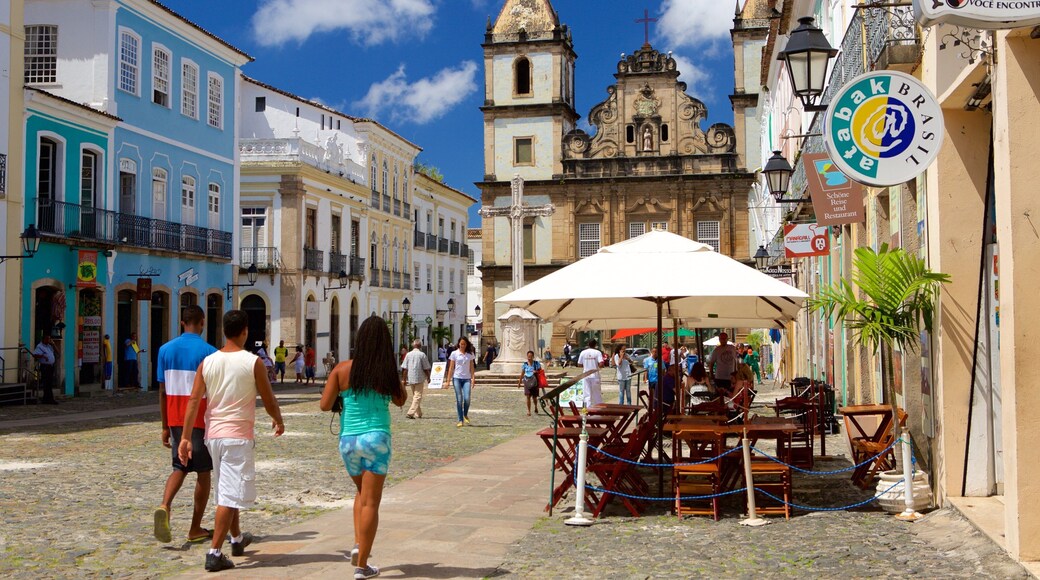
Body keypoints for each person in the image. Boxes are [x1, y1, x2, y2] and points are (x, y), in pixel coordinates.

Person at [178, 310, 285, 572]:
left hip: (213, 436)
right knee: (228, 493)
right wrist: (278, 419)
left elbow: (194, 400)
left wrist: (185, 437)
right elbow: (268, 398)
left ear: (224, 331)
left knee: (227, 486)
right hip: (237, 436)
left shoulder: (208, 362)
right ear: (245, 331)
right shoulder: (252, 362)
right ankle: (214, 552)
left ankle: (236, 539)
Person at [320, 316, 407, 580]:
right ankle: (362, 566)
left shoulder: (342, 369)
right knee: (371, 502)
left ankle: (359, 543)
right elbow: (401, 401)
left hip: (349, 440)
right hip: (376, 438)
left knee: (361, 492)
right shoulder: (385, 372)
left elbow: (324, 405)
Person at [154, 305, 217, 544]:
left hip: (174, 417)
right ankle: (195, 528)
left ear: (182, 322)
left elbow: (162, 391)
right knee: (203, 471)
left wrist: (164, 426)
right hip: (199, 418)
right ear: (202, 322)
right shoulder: (210, 352)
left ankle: (165, 505)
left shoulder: (165, 350)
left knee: (179, 467)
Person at [446, 336, 476, 428]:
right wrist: (448, 381)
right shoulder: (454, 353)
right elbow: (451, 368)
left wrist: (473, 378)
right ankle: (460, 419)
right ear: (459, 344)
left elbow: (472, 367)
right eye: (461, 344)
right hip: (457, 378)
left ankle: (465, 414)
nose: (462, 346)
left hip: (467, 378)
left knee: (467, 398)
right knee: (459, 399)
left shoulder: (470, 354)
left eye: (464, 344)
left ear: (466, 345)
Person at [400, 339, 431, 419]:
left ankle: (419, 413)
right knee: (417, 396)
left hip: (411, 377)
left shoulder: (408, 354)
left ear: (413, 346)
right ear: (420, 346)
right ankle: (410, 412)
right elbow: (425, 368)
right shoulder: (422, 355)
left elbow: (405, 368)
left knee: (415, 396)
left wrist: (404, 379)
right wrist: (428, 377)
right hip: (419, 378)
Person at [577, 339, 605, 407]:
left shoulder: (583, 352)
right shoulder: (597, 352)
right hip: (595, 375)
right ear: (595, 345)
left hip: (586, 375)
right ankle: (598, 408)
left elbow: (579, 364)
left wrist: (586, 364)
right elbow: (601, 364)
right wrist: (597, 365)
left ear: (588, 344)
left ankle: (587, 409)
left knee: (586, 394)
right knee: (597, 393)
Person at [31, 335, 58, 404]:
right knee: (47, 383)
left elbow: (57, 352)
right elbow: (35, 355)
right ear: (44, 339)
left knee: (49, 383)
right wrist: (43, 356)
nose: (49, 340)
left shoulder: (49, 346)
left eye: (50, 339)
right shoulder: (40, 346)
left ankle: (47, 398)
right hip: (45, 367)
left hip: (50, 366)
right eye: (48, 339)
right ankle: (49, 399)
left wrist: (53, 344)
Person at [517, 350, 542, 416]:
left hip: (535, 382)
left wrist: (536, 371)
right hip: (527, 381)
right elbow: (522, 373)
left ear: (533, 357)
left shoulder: (536, 363)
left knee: (534, 397)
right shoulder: (525, 364)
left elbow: (541, 372)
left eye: (530, 356)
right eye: (528, 356)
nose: (529, 358)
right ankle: (528, 411)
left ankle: (536, 406)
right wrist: (519, 382)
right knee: (528, 396)